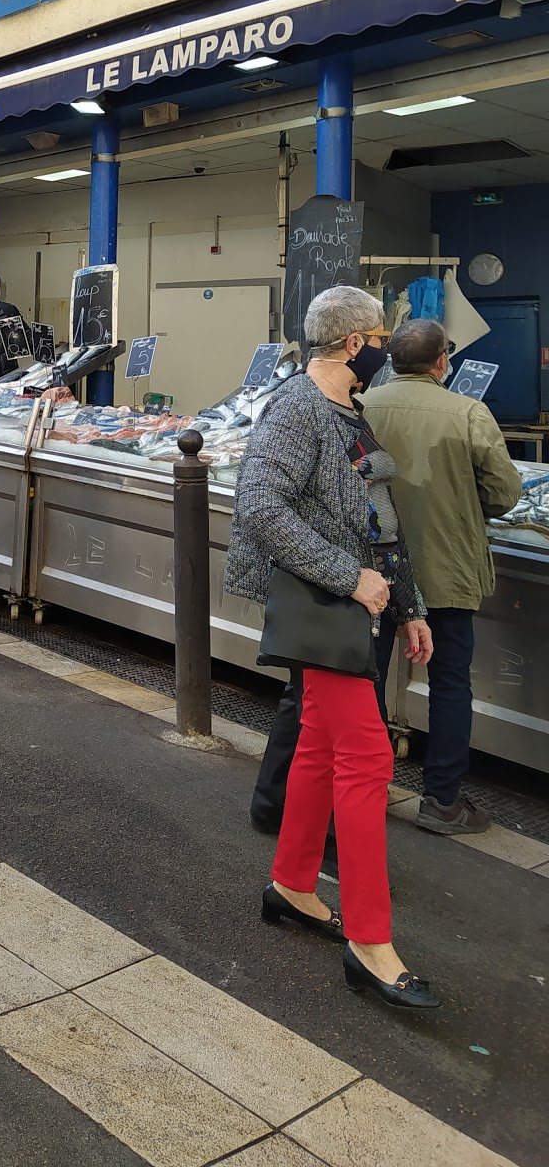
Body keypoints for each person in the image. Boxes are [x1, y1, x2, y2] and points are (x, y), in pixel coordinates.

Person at [225, 286, 440, 1010]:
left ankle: (290, 884)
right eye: (379, 335)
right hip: (326, 607)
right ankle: (371, 946)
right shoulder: (296, 409)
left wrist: (405, 604)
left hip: (356, 607)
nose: (384, 345)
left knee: (317, 744)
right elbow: (258, 506)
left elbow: (378, 517)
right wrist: (350, 578)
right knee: (371, 758)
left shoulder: (349, 410)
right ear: (355, 344)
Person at [363, 319, 521, 835]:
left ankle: (367, 783)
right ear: (441, 363)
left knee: (367, 676)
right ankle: (442, 801)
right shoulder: (469, 411)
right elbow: (504, 494)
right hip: (444, 568)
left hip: (372, 568)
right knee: (450, 680)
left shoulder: (364, 405)